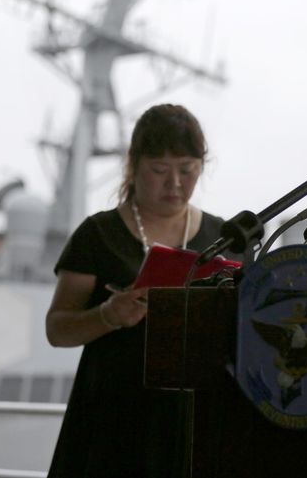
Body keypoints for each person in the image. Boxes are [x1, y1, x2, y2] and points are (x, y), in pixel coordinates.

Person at [45, 103, 225, 478]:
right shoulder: (98, 235)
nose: (174, 184)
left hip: (195, 418)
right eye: (159, 170)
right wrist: (108, 316)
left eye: (188, 170)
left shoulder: (224, 238)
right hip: (111, 417)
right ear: (133, 165)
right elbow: (57, 329)